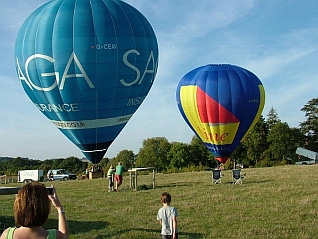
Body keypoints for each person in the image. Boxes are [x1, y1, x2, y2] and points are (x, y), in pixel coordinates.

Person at [0, 182, 69, 239]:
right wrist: (59, 208)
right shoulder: (55, 236)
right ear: (45, 209)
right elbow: (64, 234)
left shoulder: (7, 234)